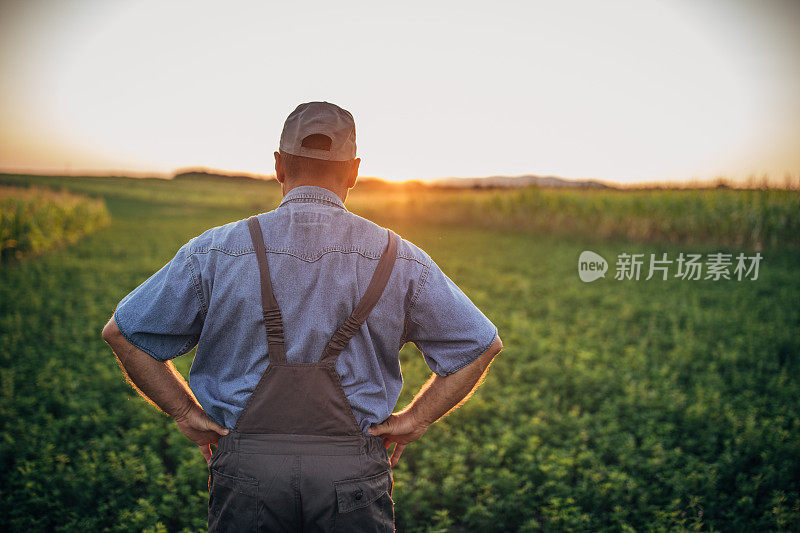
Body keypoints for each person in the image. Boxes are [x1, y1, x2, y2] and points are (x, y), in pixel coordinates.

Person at [101, 101, 503, 532]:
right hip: (352, 472)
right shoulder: (399, 257)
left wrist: (184, 411)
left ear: (278, 166)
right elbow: (482, 344)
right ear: (353, 171)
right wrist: (415, 419)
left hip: (247, 473)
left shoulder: (215, 250)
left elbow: (124, 333)